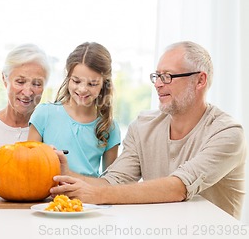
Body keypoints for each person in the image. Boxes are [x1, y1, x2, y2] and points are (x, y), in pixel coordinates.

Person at [50, 41, 246, 219]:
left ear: (200, 81)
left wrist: (96, 195)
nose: (158, 84)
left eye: (167, 76)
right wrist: (67, 174)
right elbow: (113, 182)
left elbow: (178, 188)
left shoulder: (227, 133)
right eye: (157, 76)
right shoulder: (143, 127)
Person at [29, 42, 121, 177]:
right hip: (48, 197)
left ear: (103, 84)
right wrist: (43, 155)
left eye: (92, 84)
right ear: (68, 78)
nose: (82, 89)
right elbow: (27, 166)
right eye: (76, 81)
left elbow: (110, 182)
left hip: (88, 197)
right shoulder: (44, 114)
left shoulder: (109, 127)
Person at [0, 44, 50, 192]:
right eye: (20, 82)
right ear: (4, 79)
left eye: (37, 84)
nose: (27, 92)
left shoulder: (53, 132)